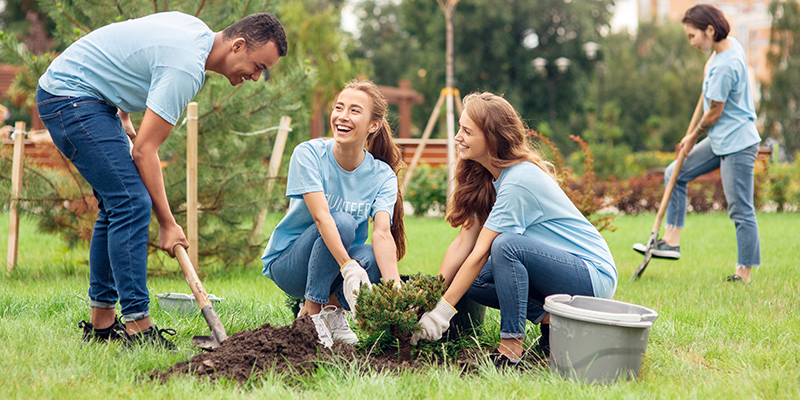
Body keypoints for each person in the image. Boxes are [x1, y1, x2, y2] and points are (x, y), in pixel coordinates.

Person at [36, 12, 287, 349]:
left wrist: (123, 111)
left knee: (115, 206)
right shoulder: (186, 67)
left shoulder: (195, 32)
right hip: (72, 96)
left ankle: (102, 327)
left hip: (88, 96)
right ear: (238, 45)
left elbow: (131, 44)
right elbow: (145, 152)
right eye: (258, 66)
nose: (257, 77)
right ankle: (139, 330)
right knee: (130, 202)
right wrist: (168, 224)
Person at [410, 92, 618, 367]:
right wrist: (428, 298)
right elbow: (463, 243)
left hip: (591, 275)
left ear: (492, 138)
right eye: (460, 128)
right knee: (471, 279)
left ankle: (511, 346)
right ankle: (552, 324)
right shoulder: (488, 177)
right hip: (560, 274)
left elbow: (481, 252)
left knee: (506, 246)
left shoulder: (519, 180)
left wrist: (441, 315)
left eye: (466, 131)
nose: (458, 136)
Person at [261, 79, 406, 347]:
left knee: (374, 258)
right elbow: (322, 218)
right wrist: (348, 266)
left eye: (354, 110)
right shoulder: (309, 154)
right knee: (342, 221)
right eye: (339, 107)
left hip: (335, 265)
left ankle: (333, 311)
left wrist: (395, 292)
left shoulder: (382, 175)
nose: (342, 116)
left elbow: (383, 234)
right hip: (291, 264)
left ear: (373, 125)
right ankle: (310, 315)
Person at [633, 4, 761, 283]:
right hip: (720, 140)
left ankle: (744, 272)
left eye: (693, 36)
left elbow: (714, 111)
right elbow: (711, 96)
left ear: (710, 30)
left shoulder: (726, 65)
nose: (690, 42)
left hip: (737, 143)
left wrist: (692, 136)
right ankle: (671, 240)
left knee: (740, 208)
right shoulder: (725, 49)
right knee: (674, 172)